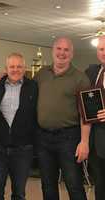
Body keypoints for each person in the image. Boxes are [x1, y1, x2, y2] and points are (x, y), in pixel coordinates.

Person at [35, 37, 90, 200]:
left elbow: (86, 114)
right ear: (52, 51)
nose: (62, 53)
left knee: (74, 185)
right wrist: (4, 74)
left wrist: (84, 142)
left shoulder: (81, 78)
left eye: (66, 50)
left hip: (69, 139)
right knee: (47, 185)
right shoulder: (41, 74)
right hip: (43, 138)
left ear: (72, 54)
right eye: (59, 49)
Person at [0, 53, 38, 200]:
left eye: (19, 66)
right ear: (6, 68)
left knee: (19, 192)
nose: (15, 69)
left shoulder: (33, 87)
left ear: (25, 68)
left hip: (23, 148)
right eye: (12, 66)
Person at [85, 35, 105, 200]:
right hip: (96, 143)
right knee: (100, 186)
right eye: (101, 49)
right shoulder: (92, 71)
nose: (104, 52)